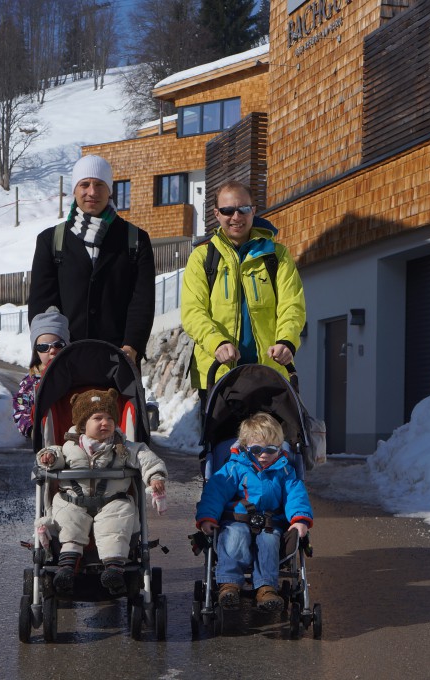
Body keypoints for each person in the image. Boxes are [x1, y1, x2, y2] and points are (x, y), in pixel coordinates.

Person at [35, 388, 168, 595]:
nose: (104, 423)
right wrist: (48, 457)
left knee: (117, 519)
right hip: (74, 500)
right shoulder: (69, 445)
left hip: (111, 501)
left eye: (109, 418)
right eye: (97, 418)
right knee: (68, 519)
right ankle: (67, 567)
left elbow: (145, 456)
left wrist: (155, 476)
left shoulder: (123, 446)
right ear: (81, 424)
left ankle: (114, 569)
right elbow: (55, 455)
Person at [181, 180, 306, 398]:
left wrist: (287, 341)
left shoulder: (277, 255)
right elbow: (193, 312)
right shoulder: (202, 258)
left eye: (243, 209)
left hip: (270, 374)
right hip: (218, 376)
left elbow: (292, 305)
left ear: (253, 211)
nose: (236, 217)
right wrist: (216, 343)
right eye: (228, 210)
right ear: (216, 214)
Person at [27, 154, 155, 366]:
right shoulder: (51, 241)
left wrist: (131, 347)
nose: (92, 192)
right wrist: (48, 346)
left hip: (118, 361)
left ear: (110, 189)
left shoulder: (135, 240)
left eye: (99, 184)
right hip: (64, 362)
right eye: (84, 184)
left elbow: (142, 301)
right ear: (75, 189)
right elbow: (42, 302)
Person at [194, 412, 313, 612]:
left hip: (270, 522)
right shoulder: (235, 468)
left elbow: (296, 495)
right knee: (235, 535)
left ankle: (266, 588)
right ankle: (229, 585)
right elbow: (215, 491)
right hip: (237, 519)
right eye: (257, 450)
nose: (264, 455)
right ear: (246, 447)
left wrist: (299, 519)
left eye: (271, 449)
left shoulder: (285, 472)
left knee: (269, 540)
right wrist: (208, 517)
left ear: (280, 447)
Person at [12, 306, 70, 439]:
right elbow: (21, 405)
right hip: (46, 436)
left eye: (58, 345)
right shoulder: (31, 381)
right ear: (36, 352)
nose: (52, 351)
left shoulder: (75, 376)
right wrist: (31, 428)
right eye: (43, 347)